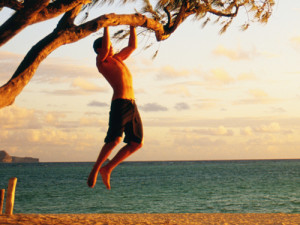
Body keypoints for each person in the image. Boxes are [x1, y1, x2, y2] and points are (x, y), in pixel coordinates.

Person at [87, 26, 143, 190]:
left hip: (132, 104)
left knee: (136, 143)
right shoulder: (102, 62)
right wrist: (106, 26)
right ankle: (95, 170)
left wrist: (133, 26)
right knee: (115, 140)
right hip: (119, 103)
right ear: (100, 49)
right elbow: (105, 47)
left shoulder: (118, 59)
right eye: (109, 46)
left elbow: (132, 47)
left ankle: (108, 168)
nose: (113, 48)